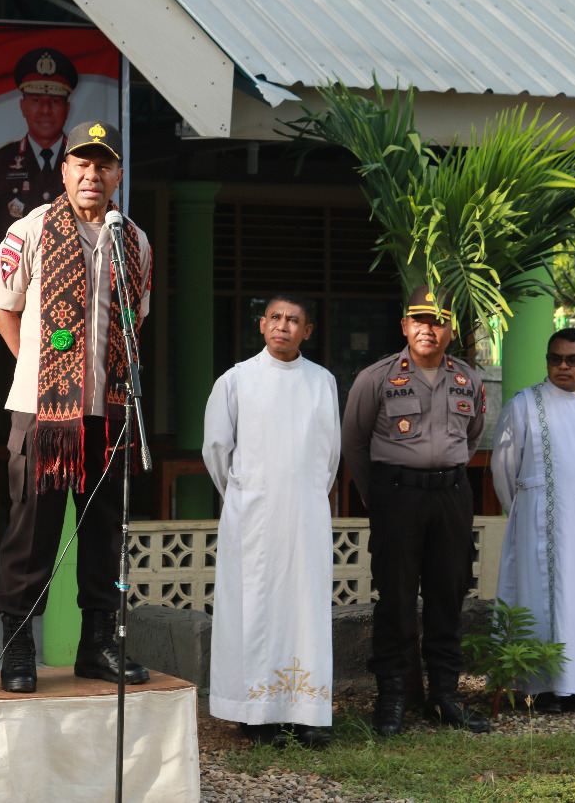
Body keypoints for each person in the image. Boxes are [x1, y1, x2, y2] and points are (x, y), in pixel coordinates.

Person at [0, 119, 151, 693]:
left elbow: (136, 322)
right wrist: (32, 372)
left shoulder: (134, 240)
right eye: (81, 163)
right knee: (31, 530)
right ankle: (17, 648)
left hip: (106, 411)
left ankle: (97, 645)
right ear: (64, 170)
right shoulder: (29, 231)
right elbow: (3, 308)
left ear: (117, 175)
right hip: (42, 412)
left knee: (105, 530)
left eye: (103, 164)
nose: (92, 174)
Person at [342, 286, 490, 736]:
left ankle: (445, 697)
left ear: (450, 330)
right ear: (405, 326)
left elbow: (473, 438)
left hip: (451, 496)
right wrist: (378, 498)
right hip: (397, 497)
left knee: (449, 594)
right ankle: (392, 699)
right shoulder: (377, 377)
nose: (429, 330)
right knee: (397, 599)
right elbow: (354, 442)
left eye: (438, 322)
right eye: (420, 322)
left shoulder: (468, 379)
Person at [203, 294, 340, 748]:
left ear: (308, 331)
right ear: (262, 325)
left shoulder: (323, 382)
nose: (283, 325)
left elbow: (329, 457)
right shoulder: (236, 380)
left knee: (305, 607)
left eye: (294, 320)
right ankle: (255, 714)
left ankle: (306, 712)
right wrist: (247, 494)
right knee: (253, 608)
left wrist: (302, 494)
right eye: (276, 318)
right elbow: (216, 452)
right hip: (253, 513)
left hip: (305, 514)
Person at [491, 327, 575, 714]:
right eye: (555, 358)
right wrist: (526, 512)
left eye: (572, 359)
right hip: (540, 519)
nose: (563, 366)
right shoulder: (524, 404)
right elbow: (503, 469)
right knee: (541, 598)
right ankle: (543, 687)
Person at [0, 47, 76, 248]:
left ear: (67, 109)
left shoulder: (82, 160)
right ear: (23, 107)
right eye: (37, 100)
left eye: (54, 101)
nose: (45, 110)